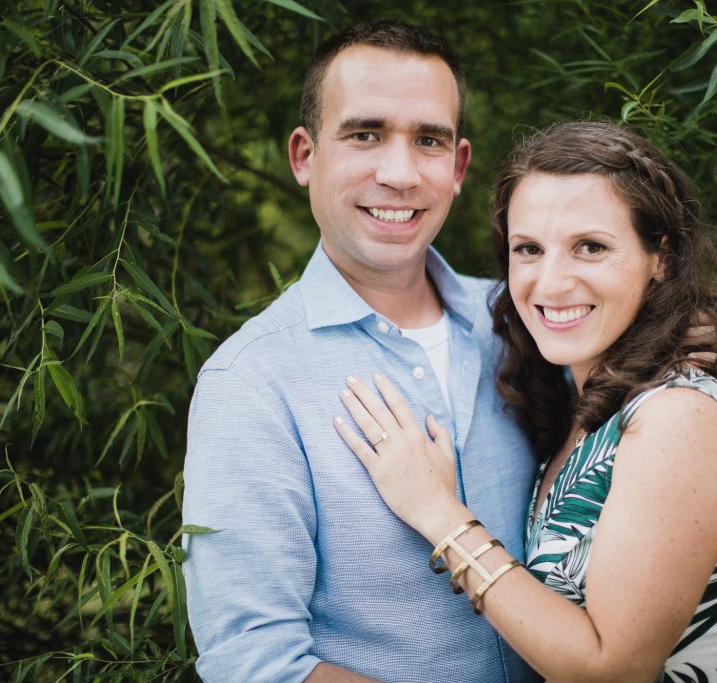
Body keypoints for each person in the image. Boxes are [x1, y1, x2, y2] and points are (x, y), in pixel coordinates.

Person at [335, 120, 717, 682]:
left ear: (660, 257)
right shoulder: (595, 402)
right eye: (529, 249)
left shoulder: (677, 415)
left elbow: (610, 669)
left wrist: (436, 512)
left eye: (590, 247)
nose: (551, 282)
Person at [181, 20, 539, 683]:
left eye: (427, 140)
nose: (399, 173)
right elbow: (256, 664)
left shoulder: (526, 325)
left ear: (458, 167)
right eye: (365, 134)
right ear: (304, 155)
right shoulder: (251, 380)